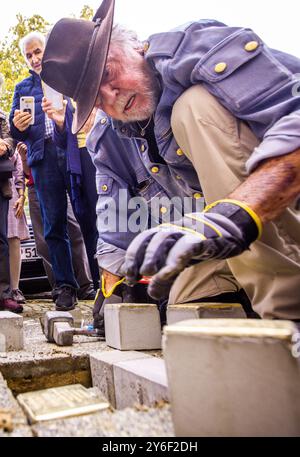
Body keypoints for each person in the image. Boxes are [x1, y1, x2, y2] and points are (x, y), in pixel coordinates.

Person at [41, 0, 300, 321]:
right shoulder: (108, 138)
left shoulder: (200, 49)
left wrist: (239, 213)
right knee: (186, 310)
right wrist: (114, 284)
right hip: (220, 239)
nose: (112, 96)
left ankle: (290, 311)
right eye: (97, 97)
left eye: (108, 73)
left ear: (135, 45)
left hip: (282, 216)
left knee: (194, 108)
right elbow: (115, 215)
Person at [10, 31, 87, 311]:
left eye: (37, 51)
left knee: (86, 218)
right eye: (29, 55)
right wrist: (18, 125)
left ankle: (103, 282)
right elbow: (14, 128)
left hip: (73, 152)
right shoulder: (22, 88)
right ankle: (65, 286)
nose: (34, 58)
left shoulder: (67, 77)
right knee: (53, 225)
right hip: (42, 158)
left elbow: (85, 112)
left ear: (48, 49)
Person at [17, 142, 96, 300]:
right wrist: (24, 157)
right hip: (35, 188)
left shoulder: (57, 131)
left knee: (75, 233)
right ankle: (60, 286)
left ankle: (85, 285)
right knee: (43, 242)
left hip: (61, 181)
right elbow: (26, 172)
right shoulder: (24, 135)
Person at [41, 97, 100, 291]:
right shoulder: (62, 94)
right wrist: (59, 123)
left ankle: (116, 285)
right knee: (88, 224)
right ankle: (101, 286)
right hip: (78, 158)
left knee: (106, 221)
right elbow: (62, 139)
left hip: (103, 149)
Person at [0, 75, 23, 313]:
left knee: (2, 239)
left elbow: (11, 140)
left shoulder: (1, 118)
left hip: (1, 185)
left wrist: (5, 145)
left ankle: (5, 294)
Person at [7, 144, 29, 304]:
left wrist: (21, 196)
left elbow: (18, 173)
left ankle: (15, 288)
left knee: (13, 240)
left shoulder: (10, 145)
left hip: (10, 195)